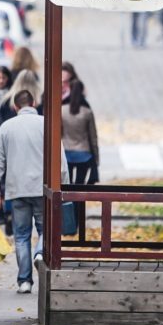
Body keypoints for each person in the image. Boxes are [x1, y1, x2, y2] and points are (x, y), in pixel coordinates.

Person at [0, 89, 67, 294]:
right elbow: (60, 159)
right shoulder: (47, 124)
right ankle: (40, 252)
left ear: (15, 107)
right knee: (46, 229)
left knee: (21, 235)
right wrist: (64, 185)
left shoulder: (6, 127)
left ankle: (24, 281)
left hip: (17, 189)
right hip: (42, 189)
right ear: (33, 103)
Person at [62, 78, 99, 229]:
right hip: (83, 153)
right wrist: (96, 158)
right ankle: (78, 219)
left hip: (66, 153)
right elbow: (93, 137)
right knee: (80, 188)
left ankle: (67, 222)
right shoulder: (87, 112)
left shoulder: (62, 110)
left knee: (67, 188)